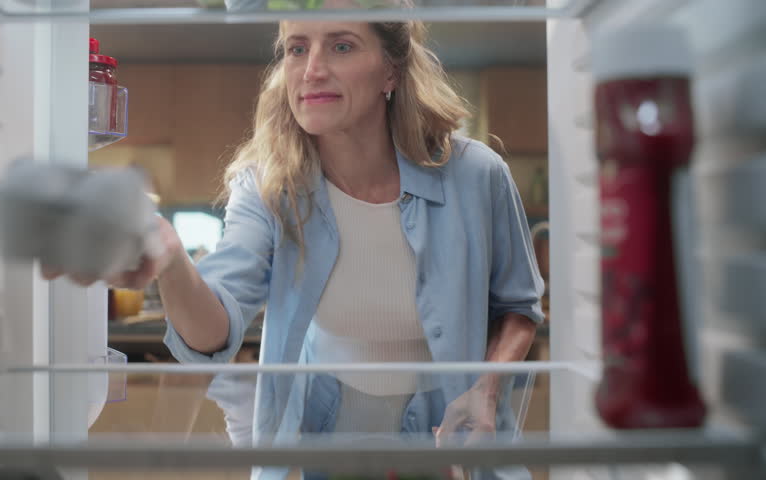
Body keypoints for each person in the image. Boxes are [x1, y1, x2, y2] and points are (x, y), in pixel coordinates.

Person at [46, 14, 543, 480]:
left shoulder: (476, 175)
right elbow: (212, 333)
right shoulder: (269, 186)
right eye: (297, 48)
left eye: (341, 46)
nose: (312, 70)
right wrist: (171, 258)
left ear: (391, 70)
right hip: (321, 434)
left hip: (448, 433)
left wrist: (486, 390)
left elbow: (518, 308)